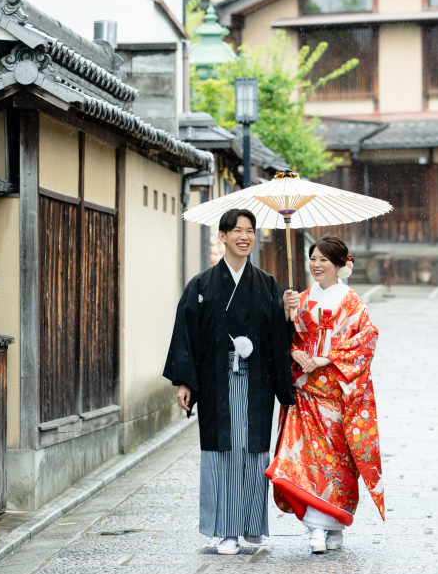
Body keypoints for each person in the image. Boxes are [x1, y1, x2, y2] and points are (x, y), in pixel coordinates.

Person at [164, 208, 296, 555]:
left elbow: (278, 338)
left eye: (250, 231)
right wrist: (185, 382)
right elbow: (186, 335)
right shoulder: (202, 285)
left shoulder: (267, 284)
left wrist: (286, 314)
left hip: (257, 381)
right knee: (222, 450)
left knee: (253, 449)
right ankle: (225, 530)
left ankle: (251, 526)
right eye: (237, 230)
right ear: (221, 236)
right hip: (216, 380)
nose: (244, 236)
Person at [266, 235, 384, 553]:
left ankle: (334, 524)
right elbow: (285, 338)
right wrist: (293, 348)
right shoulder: (301, 300)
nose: (316, 266)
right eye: (313, 259)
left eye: (324, 261)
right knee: (307, 459)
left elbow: (367, 339)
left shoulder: (352, 303)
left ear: (340, 265)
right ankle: (316, 527)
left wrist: (326, 357)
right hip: (306, 392)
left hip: (337, 394)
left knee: (338, 463)